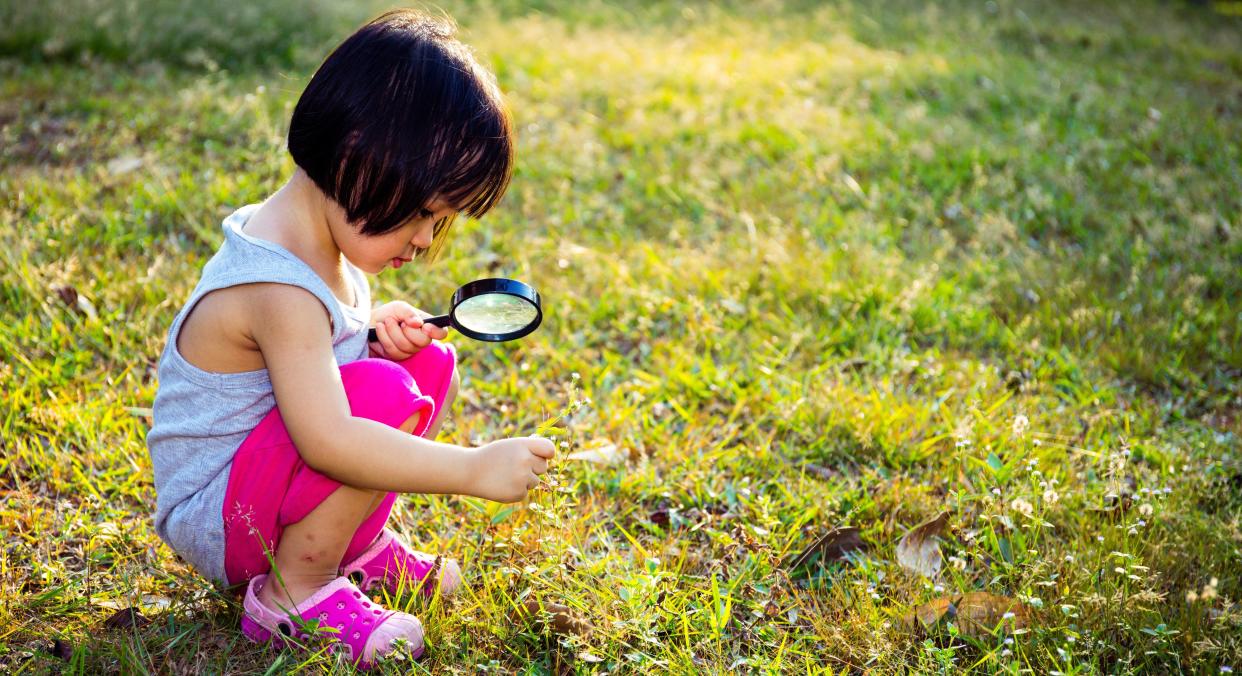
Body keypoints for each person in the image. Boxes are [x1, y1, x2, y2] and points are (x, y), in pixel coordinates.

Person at [146, 9, 554, 667]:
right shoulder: (277, 286)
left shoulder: (317, 240)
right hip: (220, 518)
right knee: (385, 397)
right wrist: (471, 468)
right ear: (356, 155)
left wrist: (367, 330)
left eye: (439, 221)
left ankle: (350, 550)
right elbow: (329, 440)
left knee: (425, 365)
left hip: (258, 482)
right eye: (423, 214)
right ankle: (293, 592)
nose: (424, 240)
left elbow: (307, 360)